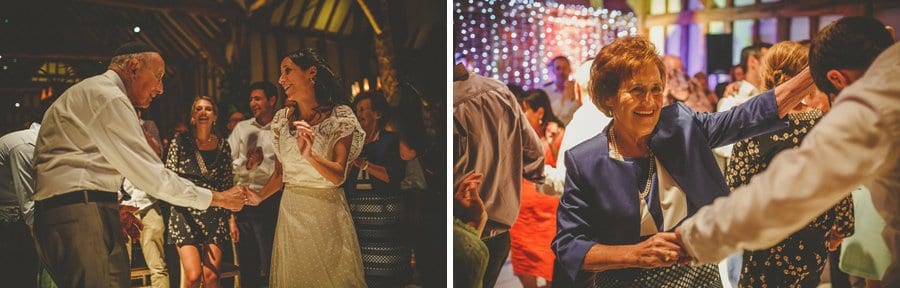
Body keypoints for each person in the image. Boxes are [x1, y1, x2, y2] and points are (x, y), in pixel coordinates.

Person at [552, 36, 814, 286]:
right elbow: (569, 245)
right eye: (637, 90)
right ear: (609, 96)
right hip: (626, 281)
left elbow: (747, 117)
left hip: (698, 278)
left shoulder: (679, 127)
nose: (650, 102)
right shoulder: (586, 161)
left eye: (656, 89)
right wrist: (635, 254)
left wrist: (814, 70)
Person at [676, 16, 899, 286]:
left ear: (837, 79)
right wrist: (841, 225)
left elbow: (783, 192)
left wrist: (691, 239)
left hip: (768, 248)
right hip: (812, 246)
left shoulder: (872, 104)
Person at [31, 41, 246, 287]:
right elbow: (151, 175)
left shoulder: (96, 93)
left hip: (84, 207)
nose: (161, 88)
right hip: (77, 213)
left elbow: (85, 162)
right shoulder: (108, 97)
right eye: (158, 76)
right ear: (134, 67)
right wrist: (218, 198)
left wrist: (108, 205)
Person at [724, 40, 854, 287]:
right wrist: (841, 226)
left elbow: (736, 184)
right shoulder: (825, 123)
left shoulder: (755, 123)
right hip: (813, 234)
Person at [245, 48, 366, 287]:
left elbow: (338, 175)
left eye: (287, 71)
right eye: (281, 73)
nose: (281, 80)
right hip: (292, 211)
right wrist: (259, 197)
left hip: (327, 211)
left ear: (311, 73)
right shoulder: (280, 120)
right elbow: (280, 175)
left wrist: (309, 154)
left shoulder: (340, 116)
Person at [454, 61, 545, 288]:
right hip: (499, 234)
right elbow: (534, 154)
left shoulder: (447, 104)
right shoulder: (499, 91)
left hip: (462, 234)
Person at [165, 96, 238, 288]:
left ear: (214, 116)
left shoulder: (223, 145)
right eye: (198, 109)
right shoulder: (180, 142)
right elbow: (170, 179)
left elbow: (226, 184)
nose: (203, 112)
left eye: (208, 109)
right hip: (185, 212)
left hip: (215, 212)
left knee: (212, 276)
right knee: (193, 275)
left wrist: (231, 219)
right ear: (192, 117)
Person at [346, 91, 410, 286]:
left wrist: (365, 165)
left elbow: (393, 175)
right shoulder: (352, 142)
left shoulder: (391, 140)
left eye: (364, 109)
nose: (359, 114)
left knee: (387, 271)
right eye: (357, 110)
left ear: (378, 114)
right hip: (357, 216)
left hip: (385, 216)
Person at [227, 81, 281, 287]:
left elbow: (282, 169)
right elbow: (228, 163)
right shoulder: (242, 128)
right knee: (247, 260)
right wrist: (248, 163)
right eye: (251, 99)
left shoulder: (280, 129)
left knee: (268, 260)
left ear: (272, 100)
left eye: (257, 98)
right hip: (242, 201)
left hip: (269, 200)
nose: (252, 103)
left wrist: (261, 163)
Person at [510, 89, 564, 288]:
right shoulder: (517, 135)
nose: (520, 116)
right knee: (524, 264)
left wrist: (552, 142)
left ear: (539, 112)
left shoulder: (556, 134)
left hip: (548, 216)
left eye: (524, 111)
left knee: (551, 265)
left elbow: (565, 170)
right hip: (522, 217)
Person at [121, 109, 169, 288]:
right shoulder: (115, 127)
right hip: (122, 204)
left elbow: (157, 156)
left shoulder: (148, 126)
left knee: (158, 265)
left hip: (147, 201)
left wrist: (140, 129)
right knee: (120, 268)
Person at [0, 121, 40, 287]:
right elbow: (29, 207)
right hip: (7, 221)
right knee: (18, 276)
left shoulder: (36, 143)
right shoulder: (26, 147)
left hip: (13, 215)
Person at [540, 56, 579, 126]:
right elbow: (548, 117)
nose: (561, 72)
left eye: (564, 68)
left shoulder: (577, 89)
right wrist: (564, 98)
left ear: (570, 70)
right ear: (553, 71)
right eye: (558, 68)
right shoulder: (545, 91)